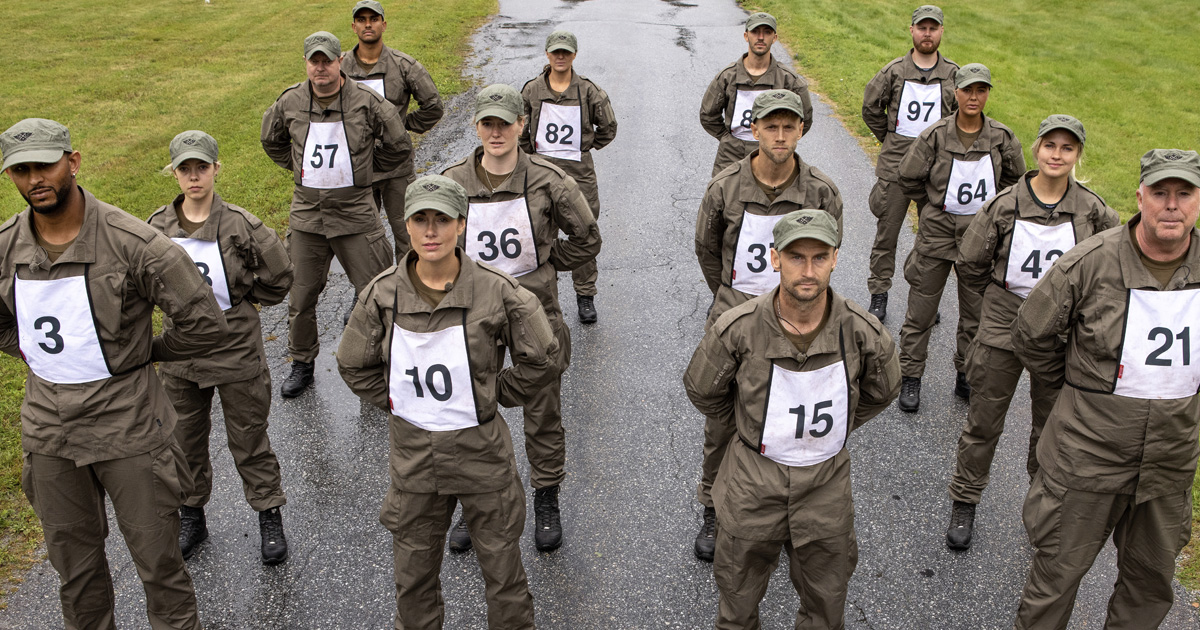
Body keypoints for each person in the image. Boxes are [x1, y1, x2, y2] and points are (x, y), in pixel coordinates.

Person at [0, 118, 227, 629]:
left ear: (73, 162)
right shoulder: (5, 248)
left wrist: (146, 353)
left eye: (45, 165)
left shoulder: (135, 243)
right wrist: (39, 357)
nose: (34, 178)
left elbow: (203, 321)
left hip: (130, 429)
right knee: (75, 575)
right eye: (20, 170)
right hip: (49, 433)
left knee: (160, 565)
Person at [337, 174, 560, 629]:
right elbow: (353, 364)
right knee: (414, 583)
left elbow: (544, 358)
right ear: (406, 225)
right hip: (415, 465)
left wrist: (491, 393)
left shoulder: (498, 290)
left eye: (443, 219)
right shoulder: (381, 294)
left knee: (504, 578)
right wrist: (400, 401)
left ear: (462, 225)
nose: (431, 231)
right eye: (421, 220)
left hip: (483, 459)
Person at [1010, 149, 1200, 628]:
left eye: (1184, 194)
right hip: (1085, 460)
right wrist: (1075, 394)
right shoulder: (1088, 264)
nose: (1171, 205)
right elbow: (1032, 335)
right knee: (1054, 582)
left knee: (1149, 587)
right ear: (1141, 197)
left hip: (1168, 466)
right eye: (1160, 193)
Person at [684, 210, 900, 629]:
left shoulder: (861, 332)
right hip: (752, 485)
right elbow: (703, 389)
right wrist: (754, 427)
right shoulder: (738, 329)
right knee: (737, 604)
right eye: (796, 257)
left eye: (819, 257)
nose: (808, 270)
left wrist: (837, 427)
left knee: (826, 604)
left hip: (825, 487)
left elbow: (883, 390)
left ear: (835, 258)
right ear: (774, 259)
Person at [944, 116, 1117, 550]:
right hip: (1005, 320)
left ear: (1077, 155)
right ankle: (965, 500)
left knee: (1051, 429)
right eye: (1050, 146)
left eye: (1067, 148)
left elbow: (1113, 261)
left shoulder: (1093, 211)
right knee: (984, 420)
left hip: (1058, 334)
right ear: (1037, 150)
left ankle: (1040, 506)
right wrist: (990, 311)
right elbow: (970, 262)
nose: (1057, 155)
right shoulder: (1005, 205)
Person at [441, 83, 601, 553]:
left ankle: (546, 495)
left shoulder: (548, 180)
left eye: (504, 123)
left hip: (534, 307)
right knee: (471, 409)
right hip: (475, 311)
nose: (496, 132)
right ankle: (474, 502)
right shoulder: (454, 184)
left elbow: (588, 238)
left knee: (542, 407)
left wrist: (549, 265)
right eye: (487, 123)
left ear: (520, 125)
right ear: (477, 126)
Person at [692, 88, 844, 562]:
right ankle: (714, 507)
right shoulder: (725, 187)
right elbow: (707, 248)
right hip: (736, 311)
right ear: (753, 130)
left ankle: (790, 511)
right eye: (771, 126)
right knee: (722, 419)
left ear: (801, 129)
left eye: (789, 126)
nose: (780, 136)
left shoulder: (821, 191)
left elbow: (826, 255)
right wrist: (733, 299)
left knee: (786, 414)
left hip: (799, 319)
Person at [148, 130, 296, 564]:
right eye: (185, 169)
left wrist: (246, 299)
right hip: (181, 356)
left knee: (249, 439)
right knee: (184, 440)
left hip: (236, 351)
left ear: (216, 169)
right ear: (174, 173)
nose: (194, 177)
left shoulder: (240, 225)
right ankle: (192, 514)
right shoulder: (156, 228)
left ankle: (269, 513)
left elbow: (280, 276)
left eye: (201, 167)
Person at [261, 30, 409, 398]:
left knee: (375, 291)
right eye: (315, 61)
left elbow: (399, 144)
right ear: (306, 63)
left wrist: (367, 172)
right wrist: (298, 169)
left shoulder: (366, 101)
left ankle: (380, 359)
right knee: (301, 296)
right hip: (308, 216)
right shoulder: (290, 102)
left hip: (356, 213)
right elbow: (271, 141)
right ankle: (301, 361)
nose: (321, 67)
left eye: (328, 60)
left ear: (339, 61)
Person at [895, 62, 1025, 412]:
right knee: (921, 310)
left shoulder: (1001, 138)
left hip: (979, 241)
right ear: (955, 92)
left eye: (981, 90)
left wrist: (993, 219)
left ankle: (965, 373)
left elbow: (1016, 183)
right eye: (967, 89)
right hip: (937, 234)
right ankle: (911, 375)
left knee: (975, 314)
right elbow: (908, 178)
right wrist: (930, 207)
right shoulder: (934, 135)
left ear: (987, 94)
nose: (973, 97)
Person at [861, 5, 959, 322]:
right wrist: (891, 140)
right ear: (912, 30)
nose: (927, 33)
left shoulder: (954, 75)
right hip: (895, 169)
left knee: (931, 241)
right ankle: (879, 294)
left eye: (933, 28)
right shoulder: (894, 71)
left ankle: (923, 301)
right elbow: (871, 108)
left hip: (936, 172)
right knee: (886, 235)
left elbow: (962, 118)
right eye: (922, 27)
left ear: (941, 31)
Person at [519, 29, 617, 324]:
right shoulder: (531, 91)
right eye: (555, 51)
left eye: (566, 52)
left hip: (579, 175)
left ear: (574, 55)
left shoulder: (589, 91)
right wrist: (531, 157)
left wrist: (584, 147)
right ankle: (536, 295)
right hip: (538, 175)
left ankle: (585, 294)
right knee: (537, 232)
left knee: (583, 233)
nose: (560, 57)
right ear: (547, 54)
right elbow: (520, 129)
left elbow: (608, 128)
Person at [341, 0, 444, 256]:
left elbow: (434, 106)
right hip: (356, 168)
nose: (368, 24)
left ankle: (411, 286)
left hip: (397, 168)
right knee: (362, 237)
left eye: (374, 19)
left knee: (408, 232)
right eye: (362, 20)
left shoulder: (404, 65)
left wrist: (403, 126)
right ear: (353, 26)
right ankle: (370, 290)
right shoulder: (339, 67)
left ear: (383, 25)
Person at [700, 12, 814, 178]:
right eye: (755, 32)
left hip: (772, 154)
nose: (761, 37)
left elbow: (806, 119)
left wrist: (780, 141)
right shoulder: (727, 77)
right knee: (724, 198)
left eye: (767, 32)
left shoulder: (790, 80)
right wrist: (727, 138)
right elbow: (707, 115)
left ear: (774, 38)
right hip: (731, 155)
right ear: (746, 36)